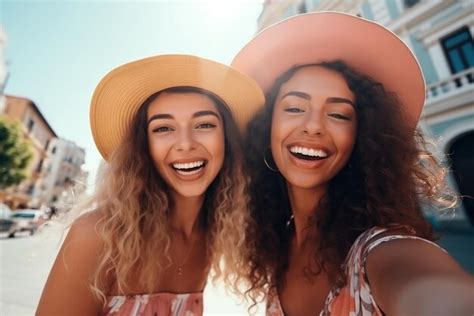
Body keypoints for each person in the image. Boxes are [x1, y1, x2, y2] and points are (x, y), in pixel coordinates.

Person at [231, 12, 474, 316]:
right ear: (265, 128)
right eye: (294, 107)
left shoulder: (383, 254)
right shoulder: (279, 244)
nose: (314, 126)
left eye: (339, 114)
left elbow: (438, 296)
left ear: (361, 137)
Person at [36, 54, 264, 315]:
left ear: (227, 140)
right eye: (163, 128)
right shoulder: (98, 235)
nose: (186, 143)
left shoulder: (217, 237)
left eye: (204, 124)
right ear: (143, 147)